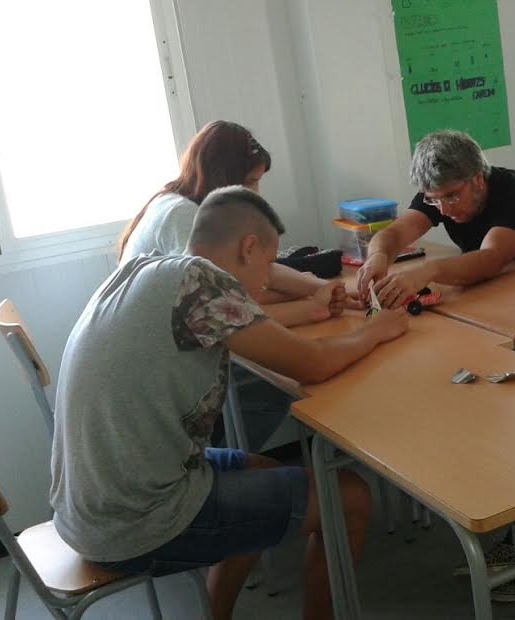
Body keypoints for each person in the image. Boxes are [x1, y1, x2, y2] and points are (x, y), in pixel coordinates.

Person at [51, 186, 409, 620]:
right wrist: (376, 331)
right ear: (248, 247)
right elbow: (312, 364)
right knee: (349, 496)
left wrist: (318, 309)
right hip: (137, 521)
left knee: (266, 472)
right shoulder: (203, 283)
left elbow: (266, 330)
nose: (265, 280)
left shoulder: (146, 268)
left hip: (88, 507)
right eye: (268, 263)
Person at [120, 120, 355, 327]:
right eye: (251, 181)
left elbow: (261, 270)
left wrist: (324, 288)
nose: (256, 193)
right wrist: (309, 301)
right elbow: (223, 305)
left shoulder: (187, 204)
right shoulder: (182, 215)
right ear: (221, 177)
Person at [356, 130, 515, 306]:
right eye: (433, 200)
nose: (443, 209)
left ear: (478, 180)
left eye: (452, 196)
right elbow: (395, 232)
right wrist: (378, 255)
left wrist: (429, 271)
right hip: (492, 289)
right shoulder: (439, 193)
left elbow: (491, 258)